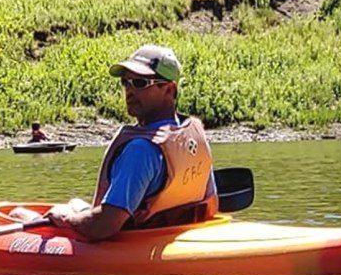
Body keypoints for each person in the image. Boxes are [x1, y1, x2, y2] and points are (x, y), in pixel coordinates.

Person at [45, 44, 217, 241]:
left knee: (20, 215)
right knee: (75, 203)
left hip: (136, 241)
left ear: (169, 89)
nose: (130, 90)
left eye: (140, 83)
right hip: (171, 233)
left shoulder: (140, 150)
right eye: (125, 82)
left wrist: (66, 220)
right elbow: (211, 204)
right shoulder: (193, 136)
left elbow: (104, 226)